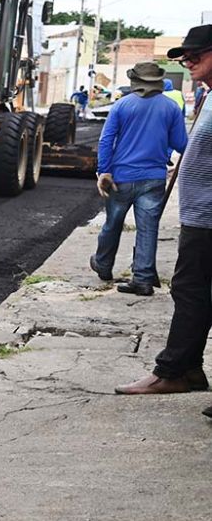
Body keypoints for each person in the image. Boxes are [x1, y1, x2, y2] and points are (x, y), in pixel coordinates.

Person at [114, 25, 212, 416]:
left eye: (196, 55)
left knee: (190, 291)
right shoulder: (201, 99)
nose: (188, 63)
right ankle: (185, 369)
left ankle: (173, 370)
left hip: (207, 217)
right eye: (184, 58)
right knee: (191, 291)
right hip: (199, 214)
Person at [89, 62, 188, 297]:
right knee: (148, 228)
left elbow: (106, 140)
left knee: (113, 223)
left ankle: (103, 264)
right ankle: (143, 279)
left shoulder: (122, 105)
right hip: (154, 178)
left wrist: (104, 170)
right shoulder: (171, 108)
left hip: (121, 177)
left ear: (135, 81)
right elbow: (181, 144)